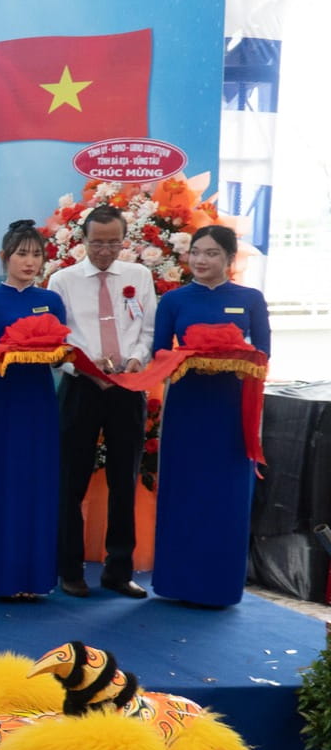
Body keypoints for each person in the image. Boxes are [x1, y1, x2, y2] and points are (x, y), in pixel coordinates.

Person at [151, 225, 270, 608]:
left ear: (230, 259)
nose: (201, 260)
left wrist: (233, 360)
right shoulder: (174, 301)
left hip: (230, 410)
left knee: (226, 495)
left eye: (212, 253)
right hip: (187, 406)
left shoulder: (250, 299)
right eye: (196, 252)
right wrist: (188, 362)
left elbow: (263, 355)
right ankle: (176, 583)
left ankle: (218, 587)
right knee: (183, 490)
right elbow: (159, 354)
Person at [52, 204, 156, 598]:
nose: (104, 251)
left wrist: (136, 359)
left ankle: (118, 568)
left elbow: (148, 329)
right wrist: (86, 363)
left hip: (127, 387)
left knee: (124, 480)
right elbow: (58, 336)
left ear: (124, 240)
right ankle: (70, 568)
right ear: (83, 241)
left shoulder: (139, 275)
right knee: (71, 480)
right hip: (81, 386)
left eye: (113, 243)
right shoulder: (62, 280)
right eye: (97, 243)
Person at [0, 219, 69, 601]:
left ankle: (35, 577)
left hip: (40, 398)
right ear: (4, 257)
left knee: (37, 483)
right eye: (21, 254)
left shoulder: (52, 300)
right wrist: (1, 353)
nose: (29, 262)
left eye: (36, 254)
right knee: (1, 482)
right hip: (1, 399)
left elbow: (60, 353)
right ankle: (0, 577)